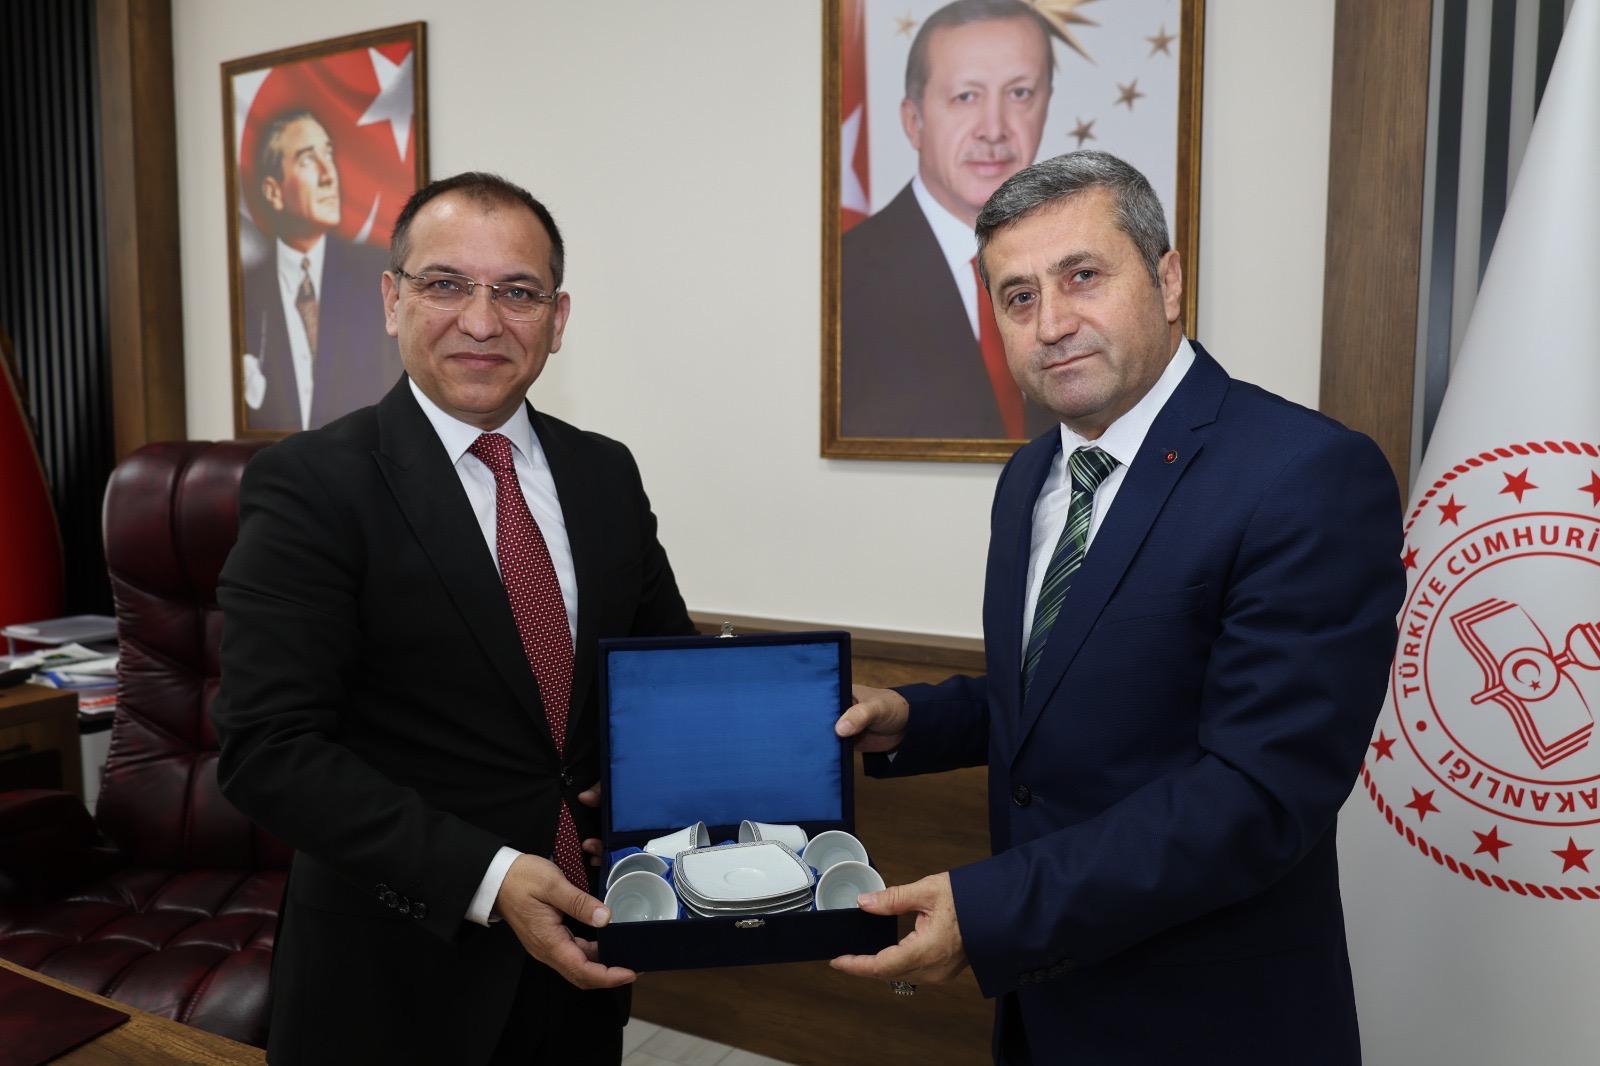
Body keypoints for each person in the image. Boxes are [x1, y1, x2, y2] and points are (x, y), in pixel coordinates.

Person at [831, 151, 1404, 1064]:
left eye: (1082, 277)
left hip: (1211, 1023)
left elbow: (1256, 796)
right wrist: (917, 719)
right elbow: (1070, 690)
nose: (1052, 323)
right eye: (1019, 297)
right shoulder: (1032, 476)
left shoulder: (1306, 475)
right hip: (1049, 1010)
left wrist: (994, 910)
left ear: (1168, 281)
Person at [213, 171, 695, 1064]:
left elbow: (663, 679)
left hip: (581, 954)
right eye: (445, 284)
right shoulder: (312, 483)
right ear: (391, 300)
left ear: (557, 318)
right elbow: (267, 748)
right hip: (392, 977)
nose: (482, 321)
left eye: (518, 292)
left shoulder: (605, 473)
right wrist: (491, 875)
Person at [841, 0, 1059, 440]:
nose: (994, 129)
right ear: (913, 121)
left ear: (1046, 105)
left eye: (1019, 93)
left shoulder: (1077, 267)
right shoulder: (844, 277)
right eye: (966, 96)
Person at [239, 108, 403, 432]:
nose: (329, 174)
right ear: (273, 192)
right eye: (307, 160)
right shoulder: (248, 289)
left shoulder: (376, 274)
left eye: (328, 154)